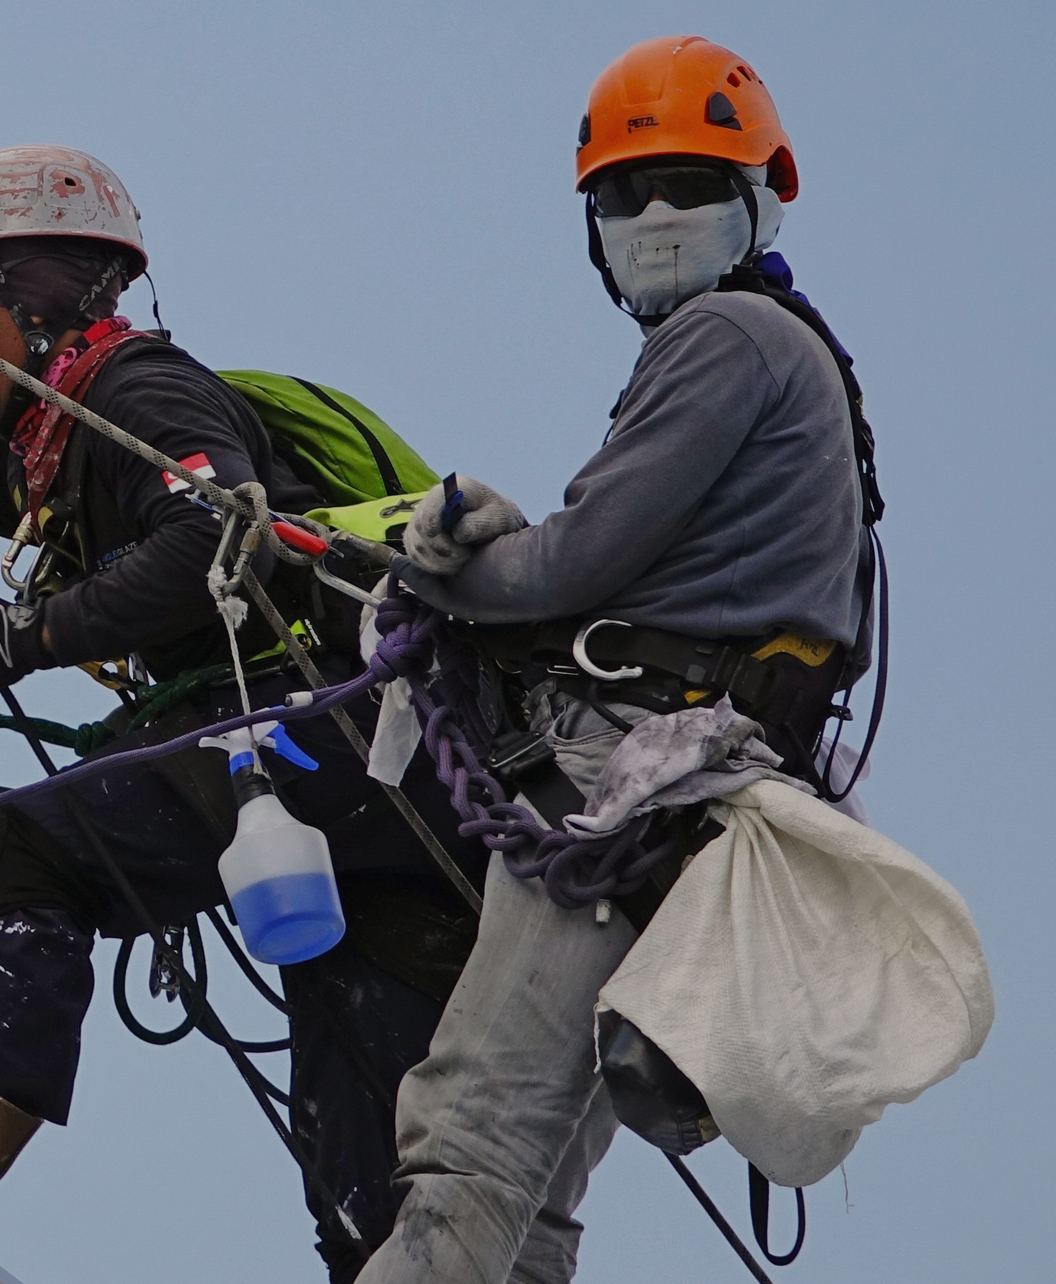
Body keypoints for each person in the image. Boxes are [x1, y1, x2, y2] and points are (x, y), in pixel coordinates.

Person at [353, 34, 873, 1283]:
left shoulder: (727, 334)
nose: (653, 217)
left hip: (623, 776)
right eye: (624, 194)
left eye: (686, 184)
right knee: (531, 1199)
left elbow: (572, 567)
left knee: (471, 1144)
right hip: (693, 792)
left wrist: (435, 570)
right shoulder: (795, 357)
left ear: (758, 197)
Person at [0, 145, 484, 1282]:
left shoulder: (132, 391)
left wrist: (25, 641)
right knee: (367, 1173)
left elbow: (215, 537)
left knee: (18, 853)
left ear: (28, 300)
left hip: (314, 726)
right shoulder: (46, 444)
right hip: (384, 781)